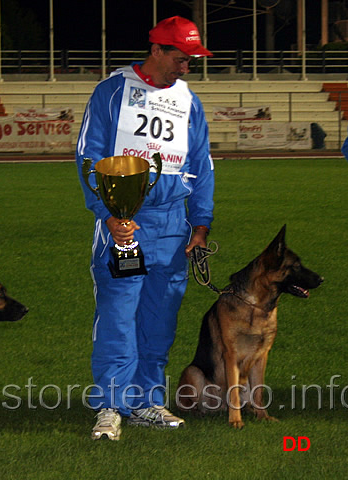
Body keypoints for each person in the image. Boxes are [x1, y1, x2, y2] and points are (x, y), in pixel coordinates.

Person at [76, 16, 215, 440]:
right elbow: (89, 157)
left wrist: (201, 222)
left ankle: (147, 401)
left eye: (192, 58)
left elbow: (202, 164)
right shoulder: (112, 91)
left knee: (160, 319)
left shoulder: (189, 100)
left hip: (173, 227)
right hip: (126, 224)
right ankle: (110, 407)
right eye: (180, 57)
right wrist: (110, 214)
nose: (186, 66)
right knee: (118, 317)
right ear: (156, 50)